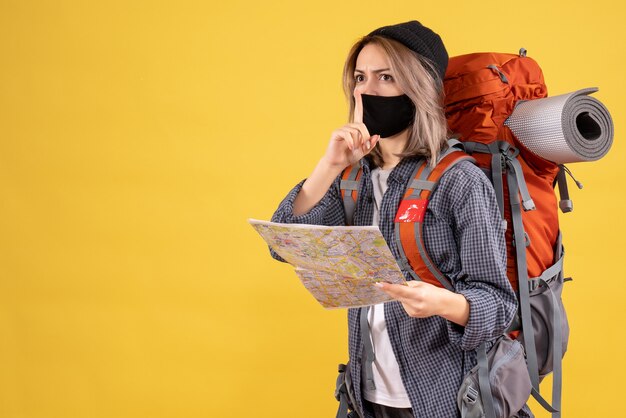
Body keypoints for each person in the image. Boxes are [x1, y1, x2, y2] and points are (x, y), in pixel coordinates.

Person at [269, 21, 520, 418]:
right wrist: (329, 165)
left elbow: (498, 306)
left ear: (418, 86)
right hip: (366, 398)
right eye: (360, 77)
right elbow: (283, 246)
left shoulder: (459, 181)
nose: (367, 91)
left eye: (386, 77)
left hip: (444, 400)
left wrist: (446, 303)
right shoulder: (352, 176)